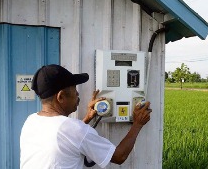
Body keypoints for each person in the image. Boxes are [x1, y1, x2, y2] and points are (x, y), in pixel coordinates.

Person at [20, 64, 152, 168]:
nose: (78, 94)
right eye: (74, 90)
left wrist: (87, 118)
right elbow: (119, 156)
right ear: (60, 96)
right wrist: (137, 124)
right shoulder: (73, 129)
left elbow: (66, 140)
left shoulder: (31, 121)